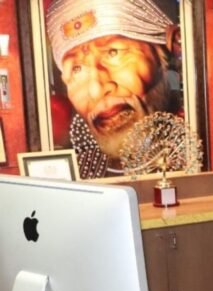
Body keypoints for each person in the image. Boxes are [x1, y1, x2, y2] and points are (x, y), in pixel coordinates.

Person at [46, 0, 182, 178]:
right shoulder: (77, 174)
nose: (96, 90)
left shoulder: (198, 156)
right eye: (76, 69)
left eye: (113, 53)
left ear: (169, 49)